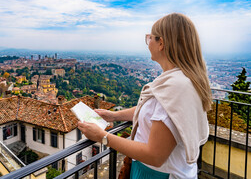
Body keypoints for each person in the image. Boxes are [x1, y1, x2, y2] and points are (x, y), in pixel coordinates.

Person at [78, 13, 212, 178]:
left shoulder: (176, 88)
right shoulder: (180, 80)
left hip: (159, 174)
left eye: (150, 38)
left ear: (161, 43)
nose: (148, 43)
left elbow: (154, 156)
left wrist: (103, 137)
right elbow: (153, 110)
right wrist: (113, 115)